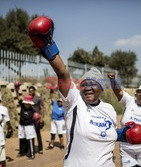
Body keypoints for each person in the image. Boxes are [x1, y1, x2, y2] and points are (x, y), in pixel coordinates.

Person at [28, 16, 118, 166]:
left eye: (93, 84)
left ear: (101, 88)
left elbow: (110, 134)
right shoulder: (74, 102)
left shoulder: (109, 110)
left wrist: (125, 134)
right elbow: (63, 73)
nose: (88, 87)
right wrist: (47, 45)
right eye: (84, 84)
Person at [17, 95, 37, 160]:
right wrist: (17, 89)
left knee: (30, 140)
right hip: (21, 125)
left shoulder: (33, 111)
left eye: (28, 104)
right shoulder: (22, 106)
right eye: (25, 103)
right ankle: (22, 152)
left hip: (29, 126)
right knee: (22, 139)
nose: (26, 105)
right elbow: (18, 98)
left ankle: (32, 154)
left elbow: (35, 120)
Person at [28, 86, 44, 154]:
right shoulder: (28, 99)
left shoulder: (38, 98)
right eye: (29, 91)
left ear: (34, 91)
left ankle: (40, 149)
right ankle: (32, 149)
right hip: (29, 119)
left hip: (37, 119)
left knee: (38, 134)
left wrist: (41, 118)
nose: (30, 92)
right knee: (30, 134)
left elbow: (42, 108)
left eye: (31, 91)